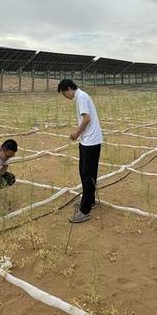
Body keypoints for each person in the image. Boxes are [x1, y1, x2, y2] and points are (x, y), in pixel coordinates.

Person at [57, 79, 102, 223]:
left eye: (64, 93)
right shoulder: (81, 96)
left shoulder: (81, 97)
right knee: (86, 173)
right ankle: (90, 200)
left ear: (69, 88)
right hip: (88, 141)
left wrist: (76, 133)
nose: (65, 96)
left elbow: (87, 118)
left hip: (90, 142)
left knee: (87, 175)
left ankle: (84, 211)